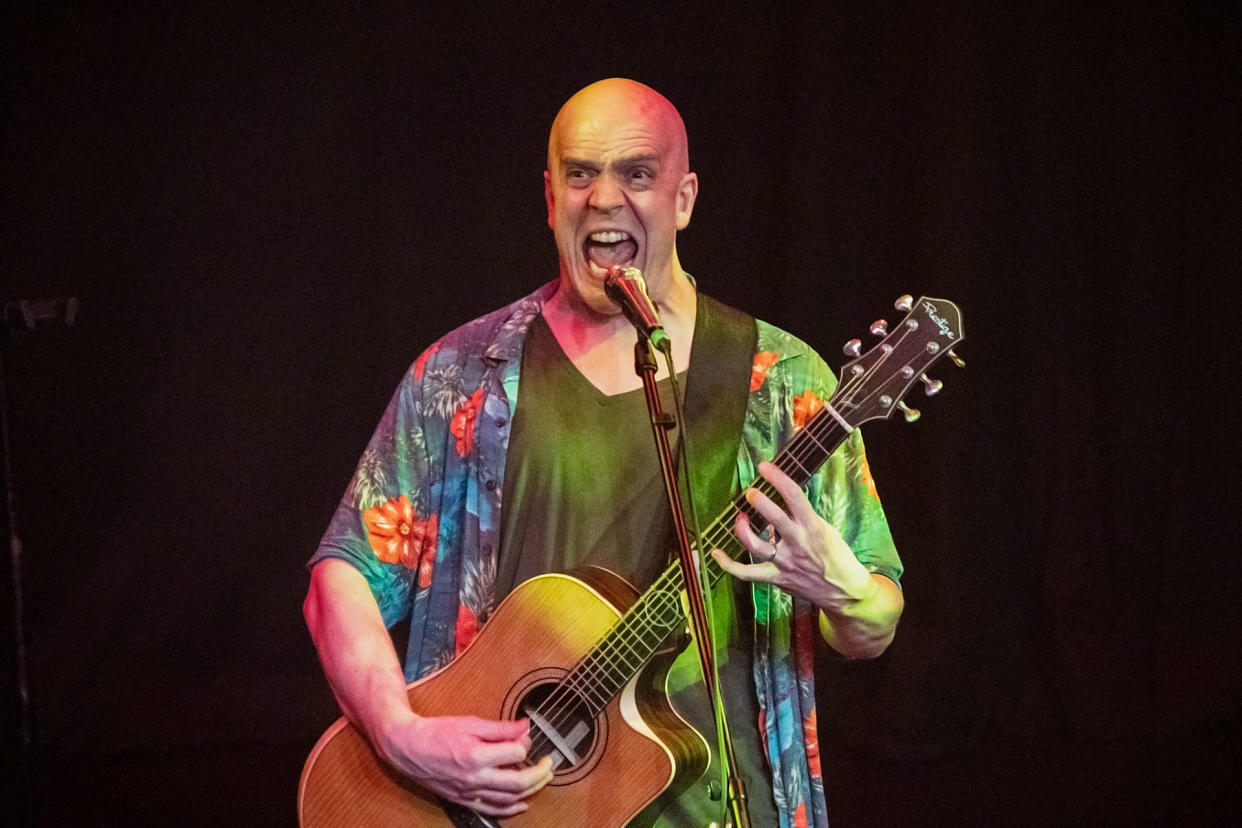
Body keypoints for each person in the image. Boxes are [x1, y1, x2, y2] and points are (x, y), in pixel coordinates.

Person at [304, 78, 904, 827]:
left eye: (637, 174)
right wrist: (399, 733)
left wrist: (845, 592)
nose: (605, 197)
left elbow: (874, 624)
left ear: (684, 199)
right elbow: (343, 576)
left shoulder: (780, 384)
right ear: (550, 197)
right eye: (580, 173)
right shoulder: (461, 377)